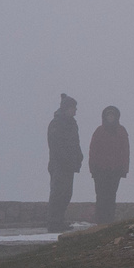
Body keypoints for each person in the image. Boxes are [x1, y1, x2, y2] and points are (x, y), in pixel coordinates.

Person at [86, 104, 129, 226]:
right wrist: (93, 168)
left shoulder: (121, 131)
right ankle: (100, 221)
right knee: (101, 196)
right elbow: (93, 150)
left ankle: (109, 222)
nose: (110, 117)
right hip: (100, 170)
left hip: (115, 170)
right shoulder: (99, 131)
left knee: (111, 196)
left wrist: (124, 168)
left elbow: (125, 151)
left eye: (112, 115)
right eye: (108, 115)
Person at [46, 94, 83, 231]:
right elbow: (56, 146)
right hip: (59, 165)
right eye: (74, 108)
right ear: (67, 108)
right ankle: (53, 223)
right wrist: (66, 159)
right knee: (58, 193)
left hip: (69, 165)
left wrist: (79, 157)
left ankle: (59, 220)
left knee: (66, 193)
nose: (75, 111)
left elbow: (75, 143)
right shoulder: (56, 123)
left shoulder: (72, 123)